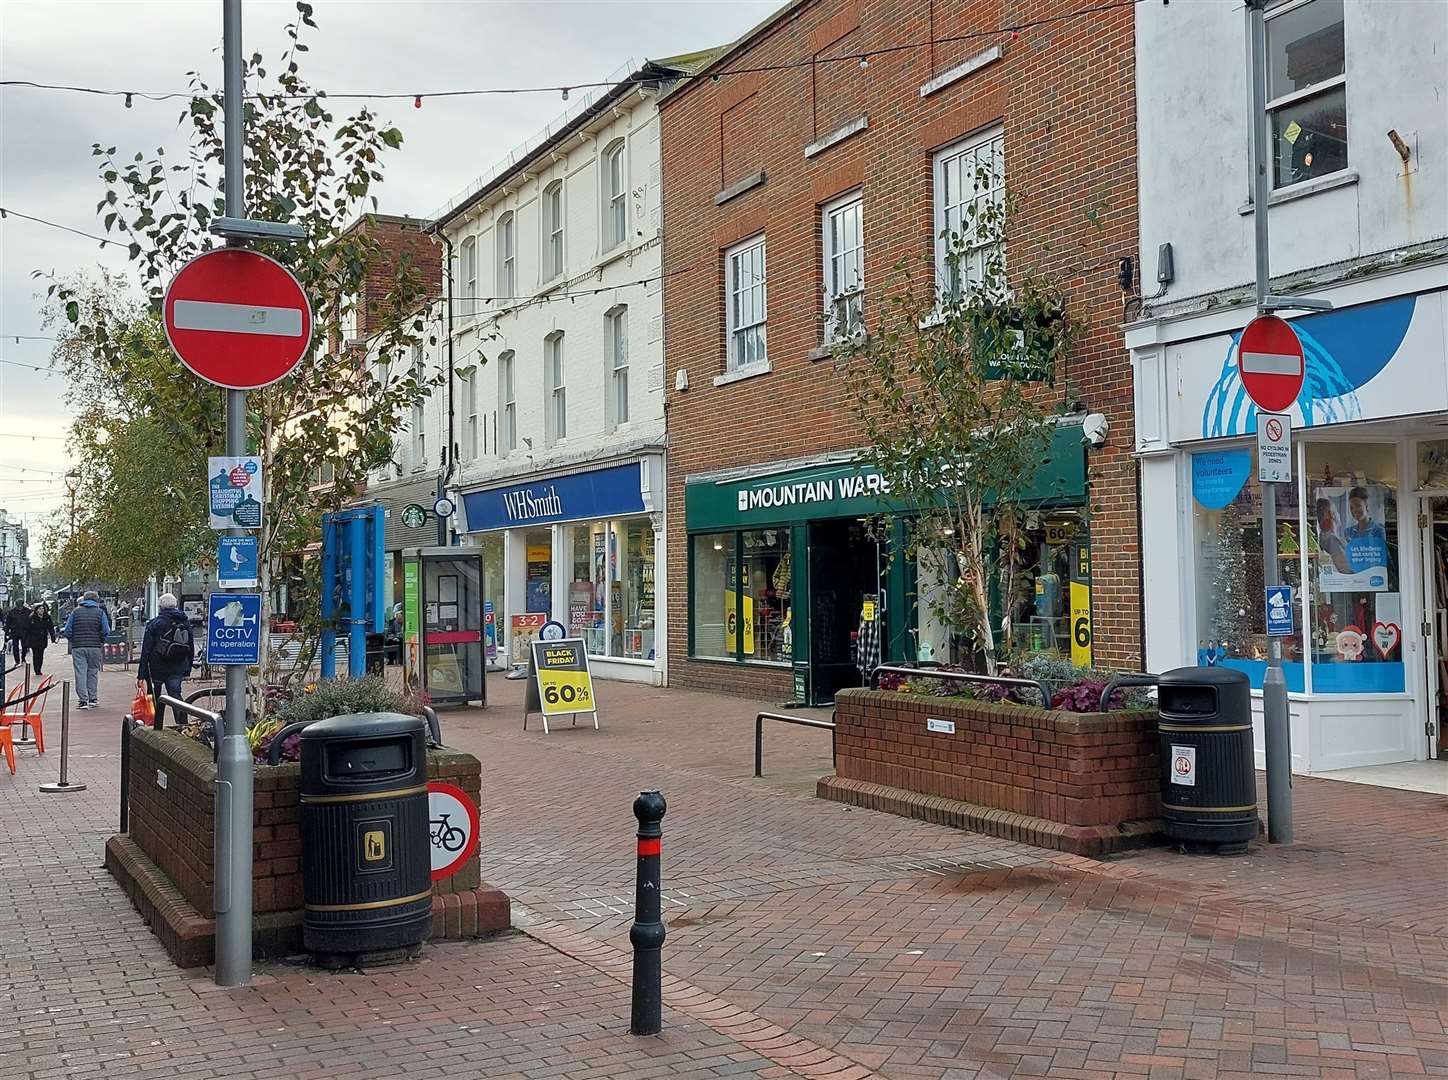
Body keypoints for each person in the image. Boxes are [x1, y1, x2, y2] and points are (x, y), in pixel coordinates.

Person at [137, 593, 194, 728]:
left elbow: (146, 650)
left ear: (160, 607)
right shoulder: (185, 622)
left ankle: (157, 725)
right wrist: (188, 668)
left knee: (155, 697)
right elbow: (190, 647)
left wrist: (141, 674)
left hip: (157, 667)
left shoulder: (155, 623)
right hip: (178, 665)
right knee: (175, 695)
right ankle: (182, 724)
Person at [61, 590, 111, 709]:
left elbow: (67, 630)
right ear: (96, 600)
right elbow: (106, 630)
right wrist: (101, 640)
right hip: (95, 646)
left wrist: (73, 639)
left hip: (78, 646)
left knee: (80, 673)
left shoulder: (75, 612)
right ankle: (93, 698)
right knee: (93, 672)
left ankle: (83, 700)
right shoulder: (100, 613)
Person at [1314, 498, 1351, 573]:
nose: (1337, 515)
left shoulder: (1325, 538)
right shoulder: (1331, 540)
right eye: (1334, 512)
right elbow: (1346, 570)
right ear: (1330, 515)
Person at [24, 601, 57, 676]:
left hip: (43, 638)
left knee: (41, 654)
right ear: (36, 610)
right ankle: (37, 669)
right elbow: (27, 629)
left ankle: (39, 667)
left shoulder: (47, 617)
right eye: (40, 609)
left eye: (42, 609)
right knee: (35, 654)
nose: (41, 610)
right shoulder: (32, 618)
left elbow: (50, 628)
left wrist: (53, 638)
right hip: (34, 639)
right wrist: (26, 641)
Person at [5, 602, 32, 666]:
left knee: (25, 646)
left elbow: (31, 621)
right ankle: (17, 661)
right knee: (15, 647)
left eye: (20, 606)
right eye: (18, 606)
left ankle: (23, 658)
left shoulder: (27, 611)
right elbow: (8, 623)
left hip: (25, 631)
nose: (19, 608)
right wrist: (7, 632)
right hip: (15, 631)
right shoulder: (11, 612)